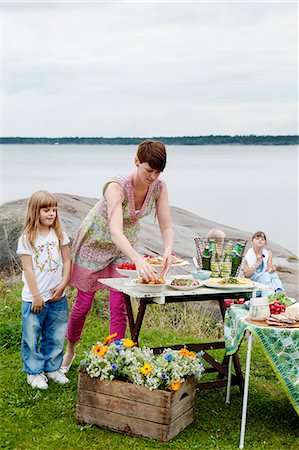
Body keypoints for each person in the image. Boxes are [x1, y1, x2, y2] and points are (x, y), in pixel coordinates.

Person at [61, 140, 174, 373]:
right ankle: (70, 349)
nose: (153, 177)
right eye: (148, 170)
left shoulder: (160, 187)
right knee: (83, 304)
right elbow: (115, 231)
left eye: (158, 172)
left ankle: (116, 357)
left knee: (119, 303)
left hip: (125, 246)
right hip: (96, 241)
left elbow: (167, 227)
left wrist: (167, 251)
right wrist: (138, 259)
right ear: (136, 161)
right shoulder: (117, 186)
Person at [17, 191, 72, 389]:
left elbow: (67, 260)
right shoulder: (27, 238)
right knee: (32, 335)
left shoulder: (59, 235)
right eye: (46, 210)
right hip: (35, 299)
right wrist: (36, 296)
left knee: (56, 333)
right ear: (35, 211)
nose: (51, 214)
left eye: (54, 210)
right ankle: (34, 372)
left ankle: (52, 367)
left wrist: (64, 283)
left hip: (57, 297)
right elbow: (28, 269)